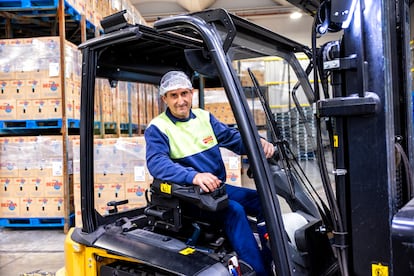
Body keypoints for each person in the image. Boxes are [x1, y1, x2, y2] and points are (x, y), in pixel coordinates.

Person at [144, 70, 274, 276]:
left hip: (214, 191)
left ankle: (272, 261)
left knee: (261, 200)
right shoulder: (159, 127)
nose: (180, 101)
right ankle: (258, 272)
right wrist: (193, 176)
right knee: (235, 211)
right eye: (174, 96)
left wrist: (259, 144)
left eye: (184, 94)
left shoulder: (204, 118)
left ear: (192, 93)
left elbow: (232, 138)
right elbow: (157, 163)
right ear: (164, 99)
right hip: (188, 197)